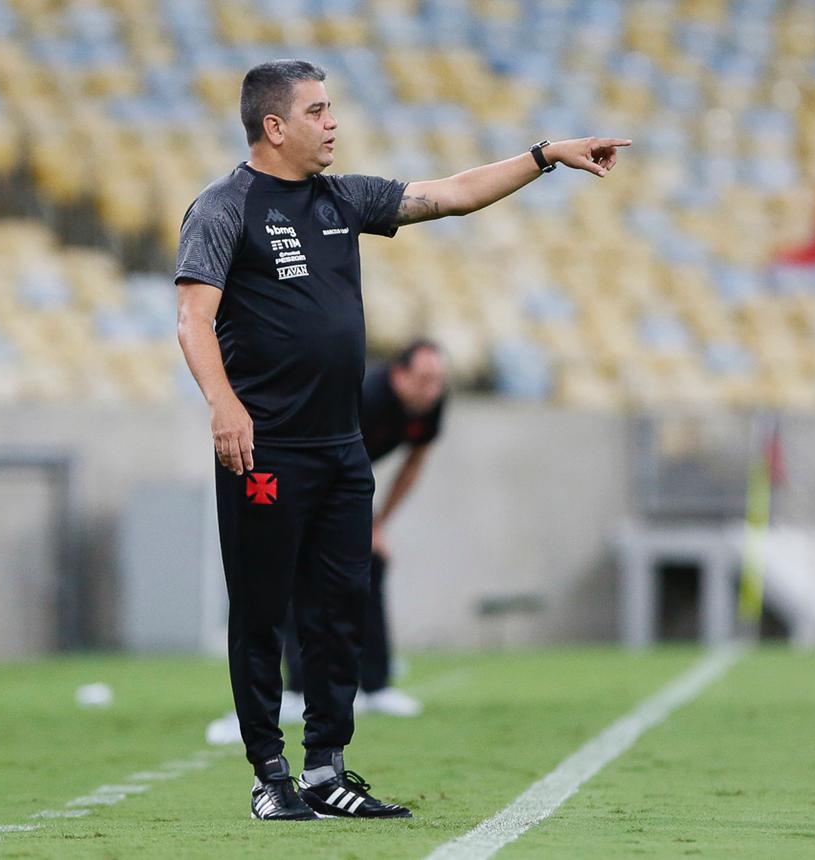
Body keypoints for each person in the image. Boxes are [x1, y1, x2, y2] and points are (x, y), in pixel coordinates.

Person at [175, 58, 628, 822]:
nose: (333, 123)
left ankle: (326, 770)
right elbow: (193, 318)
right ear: (274, 126)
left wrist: (545, 155)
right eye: (317, 111)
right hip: (267, 451)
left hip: (342, 451)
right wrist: (224, 406)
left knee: (340, 610)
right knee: (261, 613)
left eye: (331, 109)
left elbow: (451, 195)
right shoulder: (224, 207)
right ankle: (268, 775)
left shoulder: (341, 198)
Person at [283, 339, 449, 718]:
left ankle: (375, 684)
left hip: (343, 479)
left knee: (371, 565)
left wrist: (379, 523)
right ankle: (299, 689)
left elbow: (413, 464)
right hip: (304, 471)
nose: (432, 390)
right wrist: (357, 523)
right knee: (301, 573)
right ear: (399, 375)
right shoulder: (365, 396)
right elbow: (329, 458)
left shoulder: (433, 405)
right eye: (424, 379)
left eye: (438, 381)